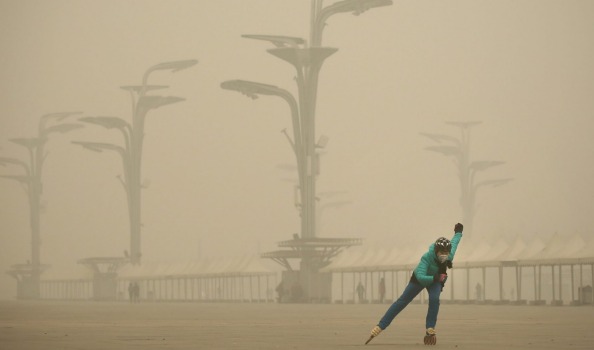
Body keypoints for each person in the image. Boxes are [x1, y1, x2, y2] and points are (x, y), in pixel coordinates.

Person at [366, 223, 463, 346]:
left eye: (446, 252)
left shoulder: (449, 254)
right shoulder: (426, 258)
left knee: (434, 299)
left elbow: (454, 243)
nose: (444, 255)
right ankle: (381, 325)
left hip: (436, 279)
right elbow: (421, 277)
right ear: (436, 251)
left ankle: (430, 328)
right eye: (441, 252)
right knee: (402, 301)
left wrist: (458, 232)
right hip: (418, 279)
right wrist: (436, 277)